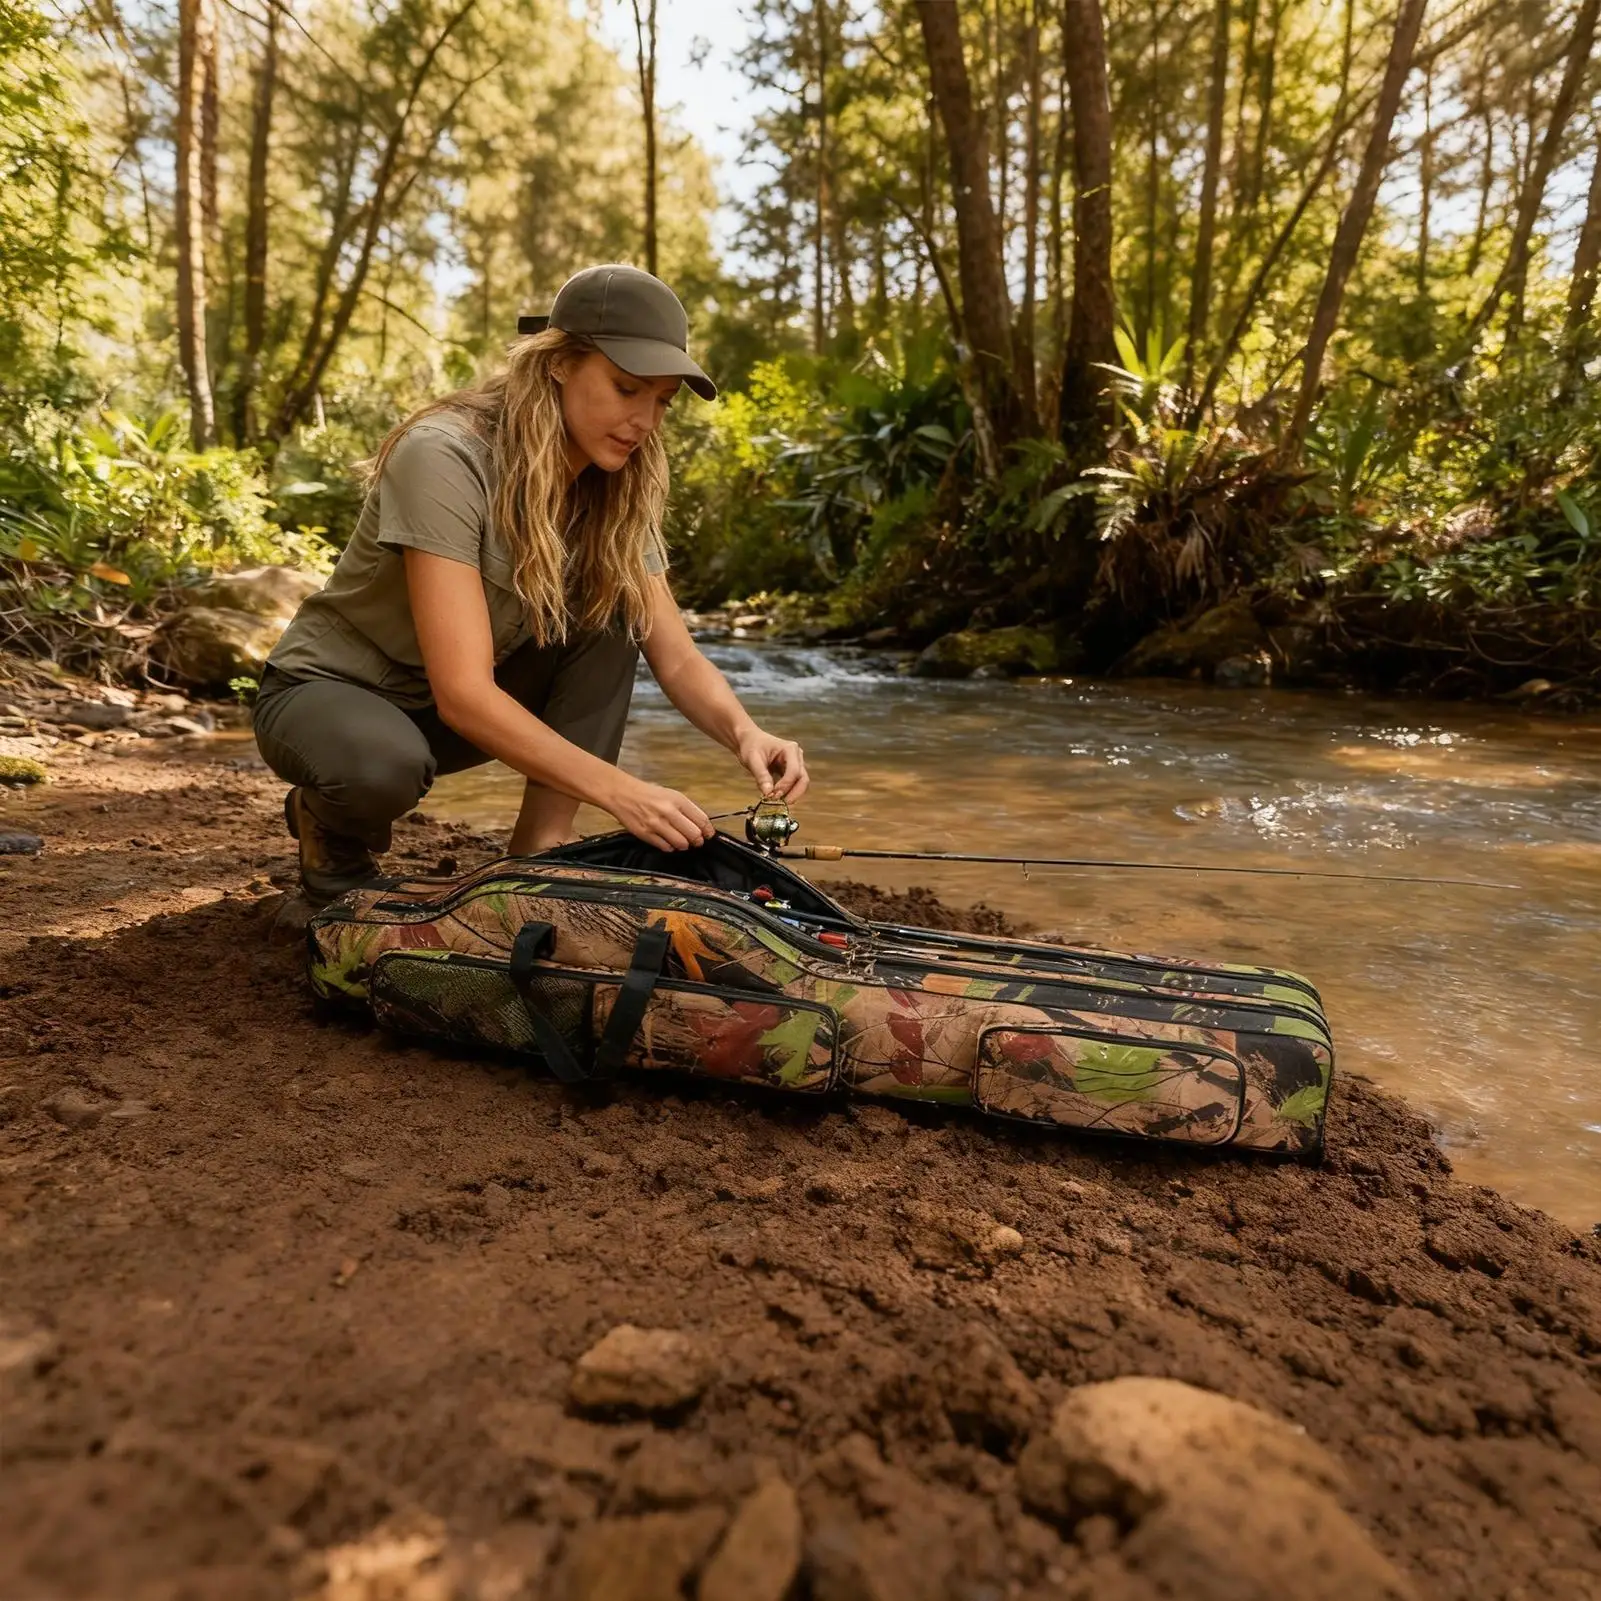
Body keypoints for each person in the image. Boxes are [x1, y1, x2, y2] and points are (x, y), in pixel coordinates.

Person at [253, 263, 809, 908]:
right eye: (627, 388)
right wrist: (623, 792)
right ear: (559, 363)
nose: (644, 420)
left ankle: (537, 854)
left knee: (614, 612)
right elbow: (464, 694)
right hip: (332, 696)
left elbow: (677, 657)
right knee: (378, 770)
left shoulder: (616, 482)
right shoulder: (443, 455)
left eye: (662, 400)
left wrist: (747, 735)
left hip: (446, 716)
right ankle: (329, 826)